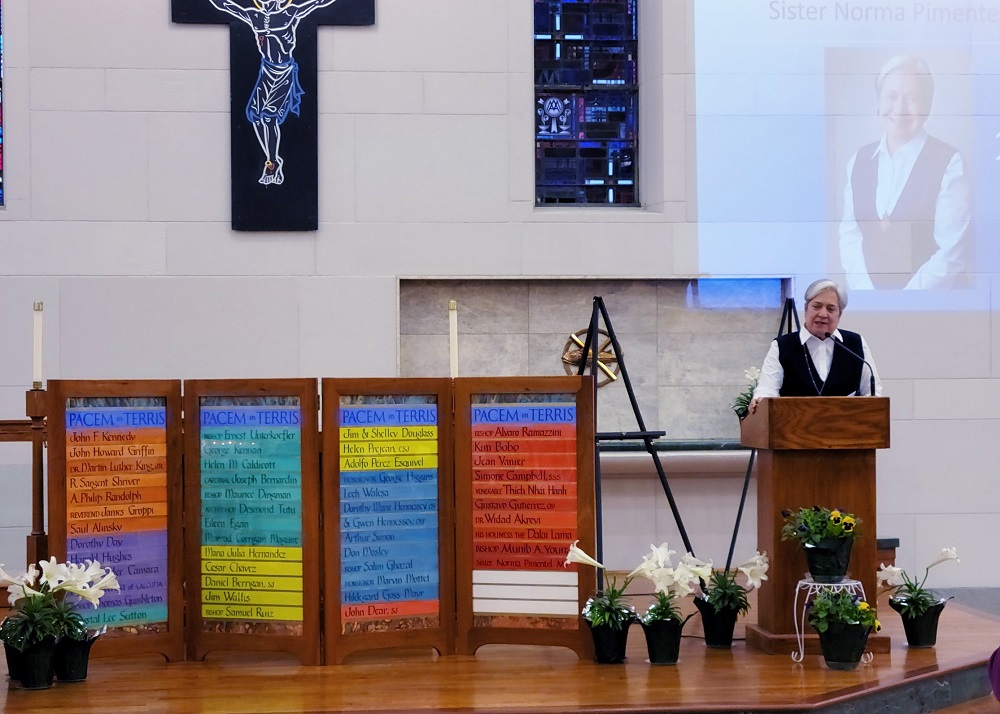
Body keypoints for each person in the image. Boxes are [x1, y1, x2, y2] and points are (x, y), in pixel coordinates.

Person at [839, 55, 972, 290]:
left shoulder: (949, 162)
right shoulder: (858, 161)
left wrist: (904, 301)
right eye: (891, 97)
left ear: (928, 106)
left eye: (912, 99)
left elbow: (951, 253)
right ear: (878, 101)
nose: (899, 109)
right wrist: (868, 295)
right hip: (868, 309)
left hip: (932, 313)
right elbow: (850, 236)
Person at [208, 0, 339, 185]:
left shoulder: (290, 13)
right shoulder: (255, 16)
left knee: (269, 118)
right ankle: (273, 158)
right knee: (254, 116)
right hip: (266, 71)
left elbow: (317, 3)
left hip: (283, 72)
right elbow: (226, 6)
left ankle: (272, 164)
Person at [749, 279, 882, 413]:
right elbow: (767, 389)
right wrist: (761, 400)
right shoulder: (782, 346)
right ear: (806, 308)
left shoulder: (855, 343)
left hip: (846, 430)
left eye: (831, 309)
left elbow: (873, 394)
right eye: (817, 306)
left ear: (839, 314)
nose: (823, 314)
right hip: (793, 429)